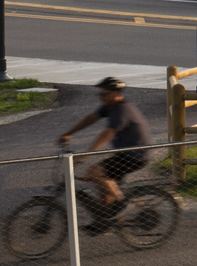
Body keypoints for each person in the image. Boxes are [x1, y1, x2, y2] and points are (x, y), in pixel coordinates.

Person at [57, 77, 149, 224]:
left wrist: (84, 156)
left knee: (94, 172)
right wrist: (69, 133)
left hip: (135, 156)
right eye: (100, 94)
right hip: (125, 154)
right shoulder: (110, 106)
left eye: (105, 94)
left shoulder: (122, 109)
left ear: (115, 93)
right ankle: (104, 222)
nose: (102, 97)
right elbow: (91, 118)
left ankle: (123, 203)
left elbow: (107, 134)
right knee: (103, 183)